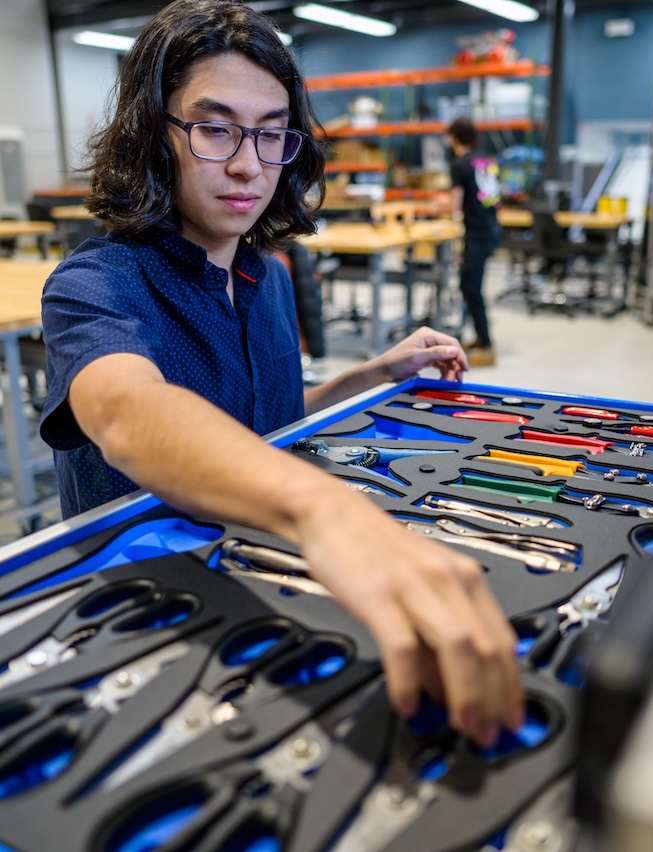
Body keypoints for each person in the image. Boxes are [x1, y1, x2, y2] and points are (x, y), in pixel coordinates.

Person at [39, 0, 523, 745]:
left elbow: (261, 425)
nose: (248, 164)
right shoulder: (97, 285)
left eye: (271, 134)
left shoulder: (262, 275)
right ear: (151, 134)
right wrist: (327, 514)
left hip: (255, 586)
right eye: (215, 128)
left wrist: (372, 375)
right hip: (142, 619)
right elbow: (128, 413)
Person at [445, 116, 504, 367]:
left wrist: (445, 207)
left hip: (477, 232)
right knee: (471, 285)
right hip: (491, 228)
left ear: (455, 137)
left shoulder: (459, 165)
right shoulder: (487, 159)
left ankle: (488, 347)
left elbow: (455, 207)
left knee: (471, 288)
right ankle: (480, 339)